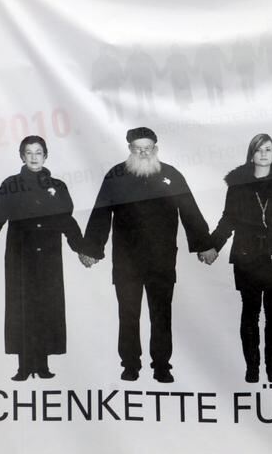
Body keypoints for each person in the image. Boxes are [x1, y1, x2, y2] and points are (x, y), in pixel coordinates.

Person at [83, 127, 218, 383]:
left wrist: (204, 244)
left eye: (148, 148)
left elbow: (189, 210)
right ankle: (130, 364)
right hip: (126, 260)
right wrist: (91, 249)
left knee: (161, 314)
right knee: (128, 315)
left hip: (162, 259)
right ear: (129, 149)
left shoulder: (171, 175)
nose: (144, 153)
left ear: (155, 149)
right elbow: (101, 213)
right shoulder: (116, 175)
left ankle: (162, 366)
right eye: (138, 149)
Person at [0, 136, 85, 381]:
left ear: (46, 156)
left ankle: (42, 365)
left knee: (47, 307)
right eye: (29, 152)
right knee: (21, 307)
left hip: (49, 256)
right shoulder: (11, 184)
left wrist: (82, 249)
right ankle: (23, 367)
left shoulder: (58, 186)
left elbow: (67, 221)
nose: (34, 157)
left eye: (38, 152)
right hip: (20, 254)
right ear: (22, 156)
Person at [210, 134, 272, 384]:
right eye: (259, 150)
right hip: (247, 254)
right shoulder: (238, 183)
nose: (264, 154)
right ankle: (252, 367)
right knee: (250, 311)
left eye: (268, 149)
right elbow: (228, 219)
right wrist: (212, 247)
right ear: (251, 154)